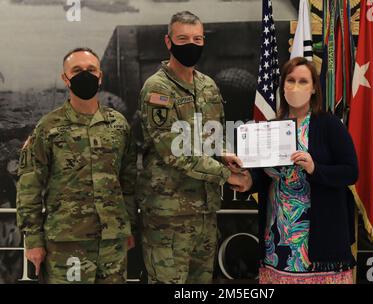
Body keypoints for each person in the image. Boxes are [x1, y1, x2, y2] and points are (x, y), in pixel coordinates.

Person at [137, 11, 250, 284]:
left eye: (197, 38)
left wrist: (225, 153)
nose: (191, 44)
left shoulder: (207, 85)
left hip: (205, 211)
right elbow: (176, 152)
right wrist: (227, 175)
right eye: (183, 38)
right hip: (168, 214)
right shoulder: (157, 89)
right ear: (168, 41)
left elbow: (214, 135)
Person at [16, 47, 137, 284]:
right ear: (65, 78)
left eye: (91, 70)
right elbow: (29, 186)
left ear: (100, 76)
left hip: (112, 243)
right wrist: (33, 241)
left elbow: (129, 181)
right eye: (77, 70)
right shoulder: (48, 127)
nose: (85, 75)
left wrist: (128, 226)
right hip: (66, 243)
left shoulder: (119, 125)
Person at [249, 57, 358, 284]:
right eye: (290, 80)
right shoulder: (270, 127)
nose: (295, 87)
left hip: (320, 238)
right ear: (282, 86)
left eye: (303, 81)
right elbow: (261, 176)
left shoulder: (329, 124)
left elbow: (350, 171)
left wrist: (315, 168)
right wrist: (244, 180)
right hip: (278, 236)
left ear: (314, 88)